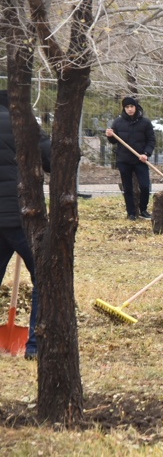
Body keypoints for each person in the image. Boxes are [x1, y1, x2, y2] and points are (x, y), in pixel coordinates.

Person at [0, 91, 51, 360]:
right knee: (44, 277)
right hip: (21, 216)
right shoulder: (25, 125)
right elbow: (52, 160)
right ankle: (35, 346)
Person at [105, 96, 155, 221]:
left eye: (131, 106)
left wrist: (146, 154)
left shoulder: (145, 122)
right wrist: (109, 135)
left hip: (140, 159)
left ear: (136, 107)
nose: (130, 109)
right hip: (124, 160)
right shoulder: (118, 122)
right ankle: (131, 213)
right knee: (127, 188)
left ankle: (143, 209)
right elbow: (113, 140)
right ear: (124, 109)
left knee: (144, 186)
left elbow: (151, 140)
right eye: (127, 107)